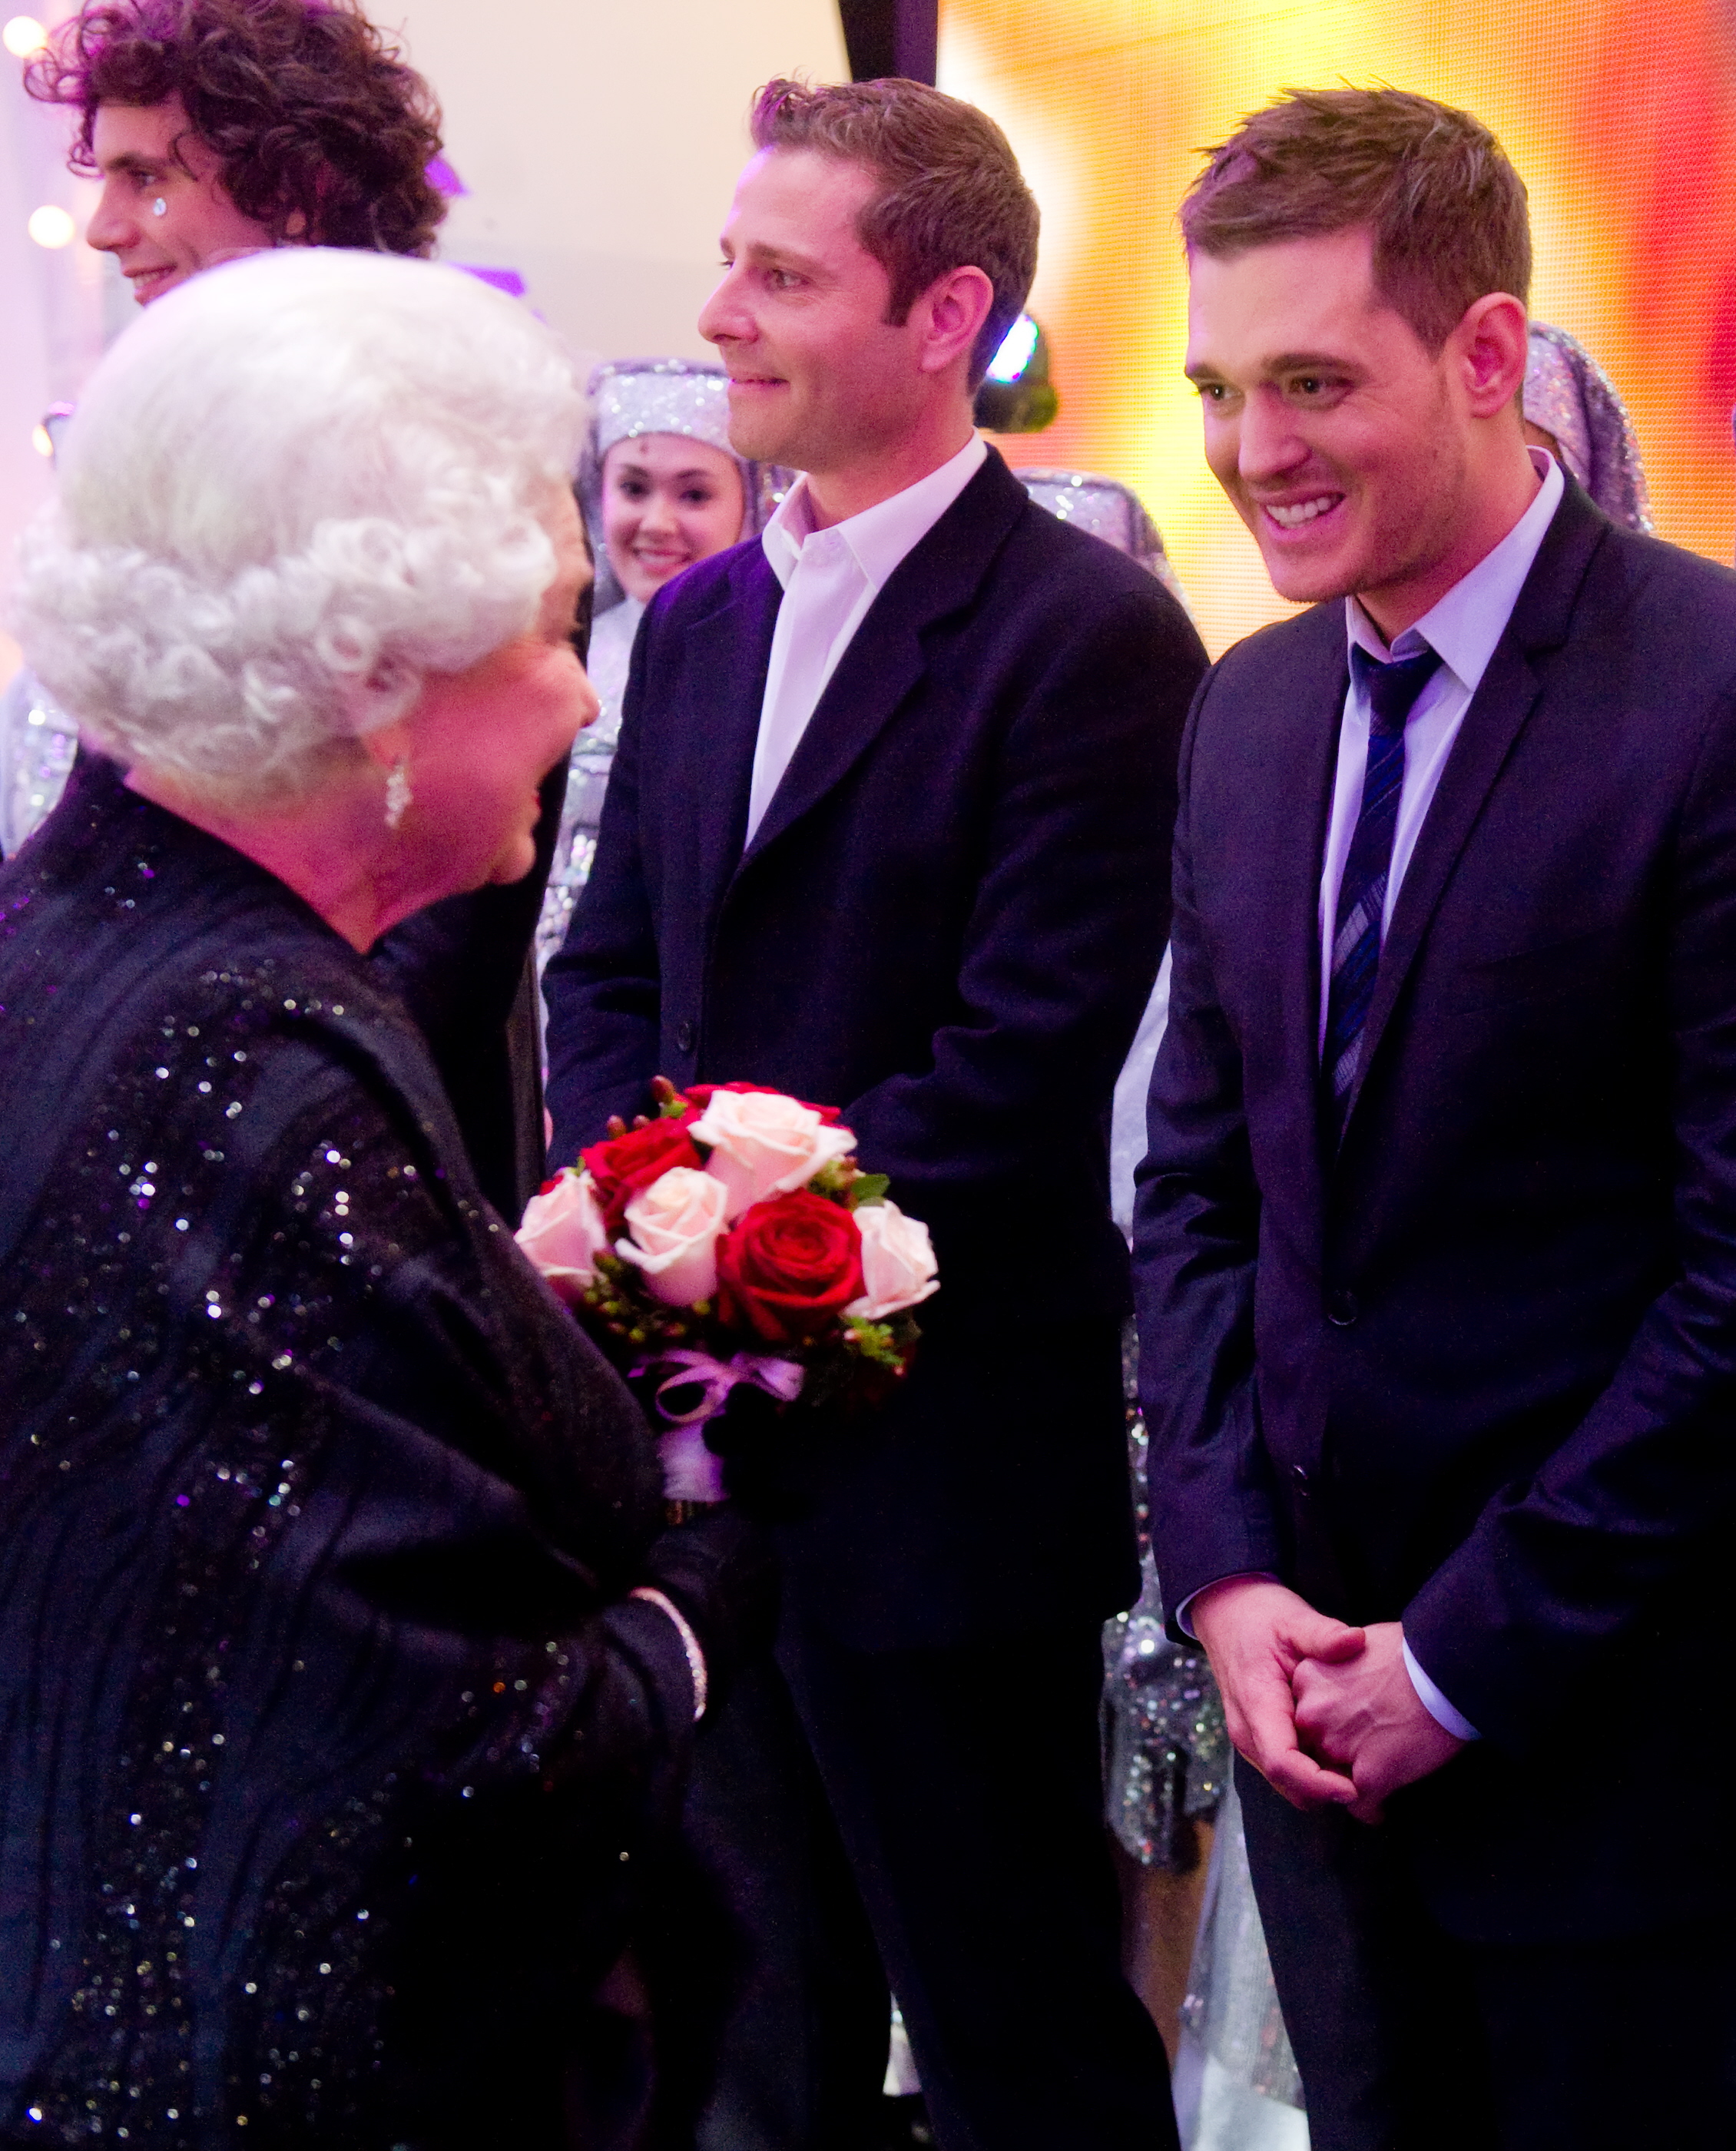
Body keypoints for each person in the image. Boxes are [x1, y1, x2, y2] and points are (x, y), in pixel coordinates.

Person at [0, 247, 767, 2149]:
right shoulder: (247, 1065)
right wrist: (681, 1602)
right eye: (549, 630)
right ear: (378, 678)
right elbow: (397, 1752)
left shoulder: (108, 940)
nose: (584, 698)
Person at [544, 74, 1208, 2151]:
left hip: (938, 1470)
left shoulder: (1086, 634)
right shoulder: (700, 623)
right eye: (728, 265)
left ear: (944, 321)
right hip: (692, 1469)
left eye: (776, 273)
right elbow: (605, 973)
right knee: (751, 2038)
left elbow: (1017, 1064)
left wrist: (723, 1281)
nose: (722, 313)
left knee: (1010, 2029)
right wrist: (634, 1261)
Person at [1135, 85, 1736, 2148]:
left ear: (1487, 357)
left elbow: (1735, 1280)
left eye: (1312, 382)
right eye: (1217, 385)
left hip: (1624, 1764)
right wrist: (1220, 1576)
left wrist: (1464, 1656)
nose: (1247, 452)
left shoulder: (1707, 688)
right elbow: (1198, 1193)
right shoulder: (1251, 708)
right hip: (1311, 1754)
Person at [18, 0, 565, 1222]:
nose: (106, 227)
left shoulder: (440, 429)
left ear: (299, 184)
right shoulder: (180, 424)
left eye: (148, 177)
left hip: (328, 1153)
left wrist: (188, 1093)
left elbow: (449, 908)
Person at [536, 358, 787, 974]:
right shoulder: (547, 651)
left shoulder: (774, 669)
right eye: (633, 488)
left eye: (694, 494)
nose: (657, 524)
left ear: (750, 505)